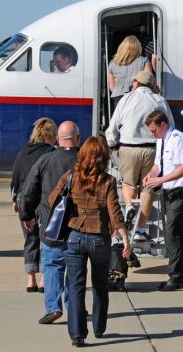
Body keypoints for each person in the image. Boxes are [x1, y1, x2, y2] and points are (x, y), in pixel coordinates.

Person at [50, 137, 131, 347]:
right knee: (99, 284)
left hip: (74, 236)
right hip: (99, 238)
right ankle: (99, 326)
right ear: (104, 157)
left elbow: (53, 199)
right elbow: (115, 213)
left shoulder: (71, 176)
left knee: (75, 286)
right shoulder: (108, 181)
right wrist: (125, 239)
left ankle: (77, 334)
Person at [19, 121, 80, 324]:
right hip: (79, 225)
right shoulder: (85, 161)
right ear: (78, 139)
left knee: (52, 265)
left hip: (51, 224)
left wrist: (27, 216)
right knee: (75, 268)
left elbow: (29, 190)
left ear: (57, 139)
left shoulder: (46, 160)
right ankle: (75, 308)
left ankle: (53, 308)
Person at [105, 70, 174, 242]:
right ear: (151, 85)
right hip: (152, 149)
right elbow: (170, 126)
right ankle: (140, 230)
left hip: (128, 148)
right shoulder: (159, 100)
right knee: (148, 188)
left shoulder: (125, 99)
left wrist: (112, 144)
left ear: (136, 83)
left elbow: (113, 127)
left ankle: (128, 206)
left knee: (128, 183)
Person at [143, 110, 183, 291]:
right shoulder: (162, 140)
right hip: (170, 191)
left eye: (154, 131)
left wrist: (160, 180)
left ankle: (177, 275)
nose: (152, 134)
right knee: (176, 231)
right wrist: (151, 175)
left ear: (163, 125)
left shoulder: (178, 139)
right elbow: (158, 165)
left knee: (171, 230)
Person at [10, 117, 57, 292]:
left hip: (24, 199)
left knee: (30, 239)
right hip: (44, 201)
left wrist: (16, 200)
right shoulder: (51, 153)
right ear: (51, 134)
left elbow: (15, 177)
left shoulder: (24, 152)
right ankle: (45, 278)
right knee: (47, 239)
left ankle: (31, 279)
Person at [107, 35, 152, 109]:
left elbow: (112, 87)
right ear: (137, 47)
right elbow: (147, 80)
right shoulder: (144, 60)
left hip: (119, 97)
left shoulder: (112, 63)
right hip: (137, 96)